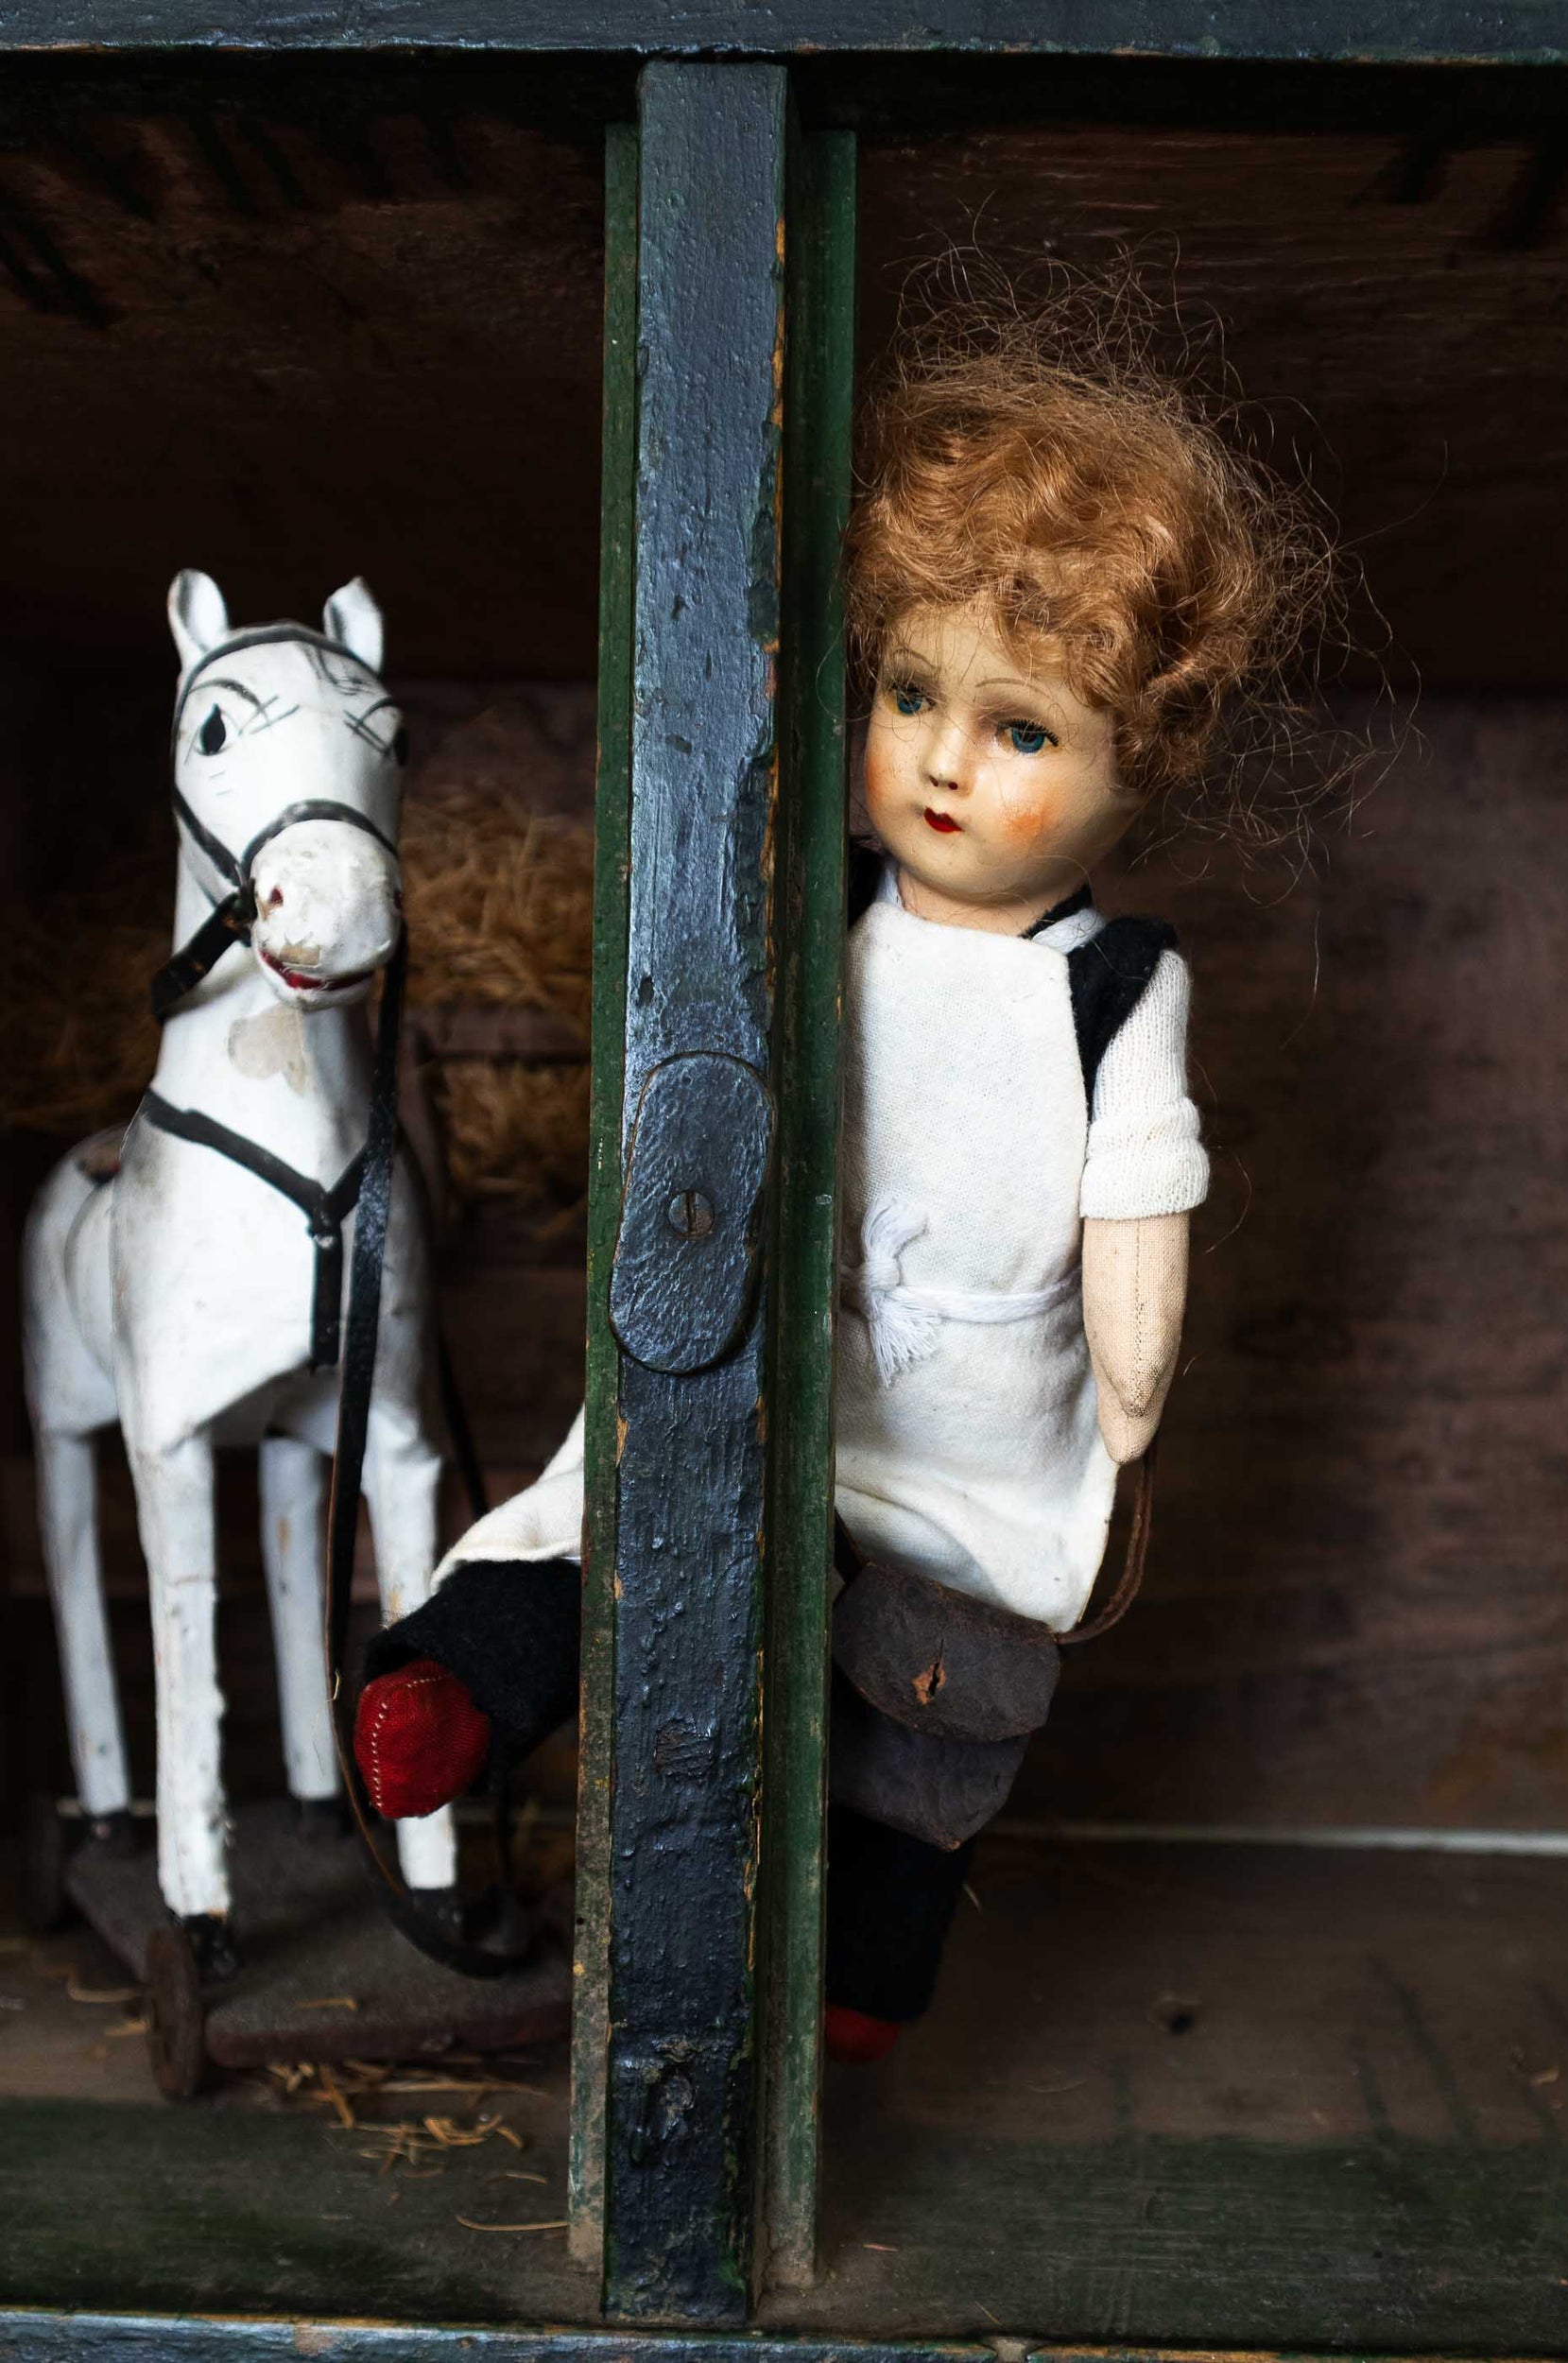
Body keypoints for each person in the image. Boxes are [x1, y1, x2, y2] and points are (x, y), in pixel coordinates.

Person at [353, 292, 1331, 2060]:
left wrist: (1130, 1388)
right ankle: (444, 1697)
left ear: (1137, 769)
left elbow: (1138, 1194)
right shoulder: (811, 910)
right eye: (911, 695)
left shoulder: (1117, 982)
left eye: (1023, 729)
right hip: (783, 1363)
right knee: (619, 1531)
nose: (947, 760)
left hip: (967, 1427)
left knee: (938, 1710)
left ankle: (865, 1988)